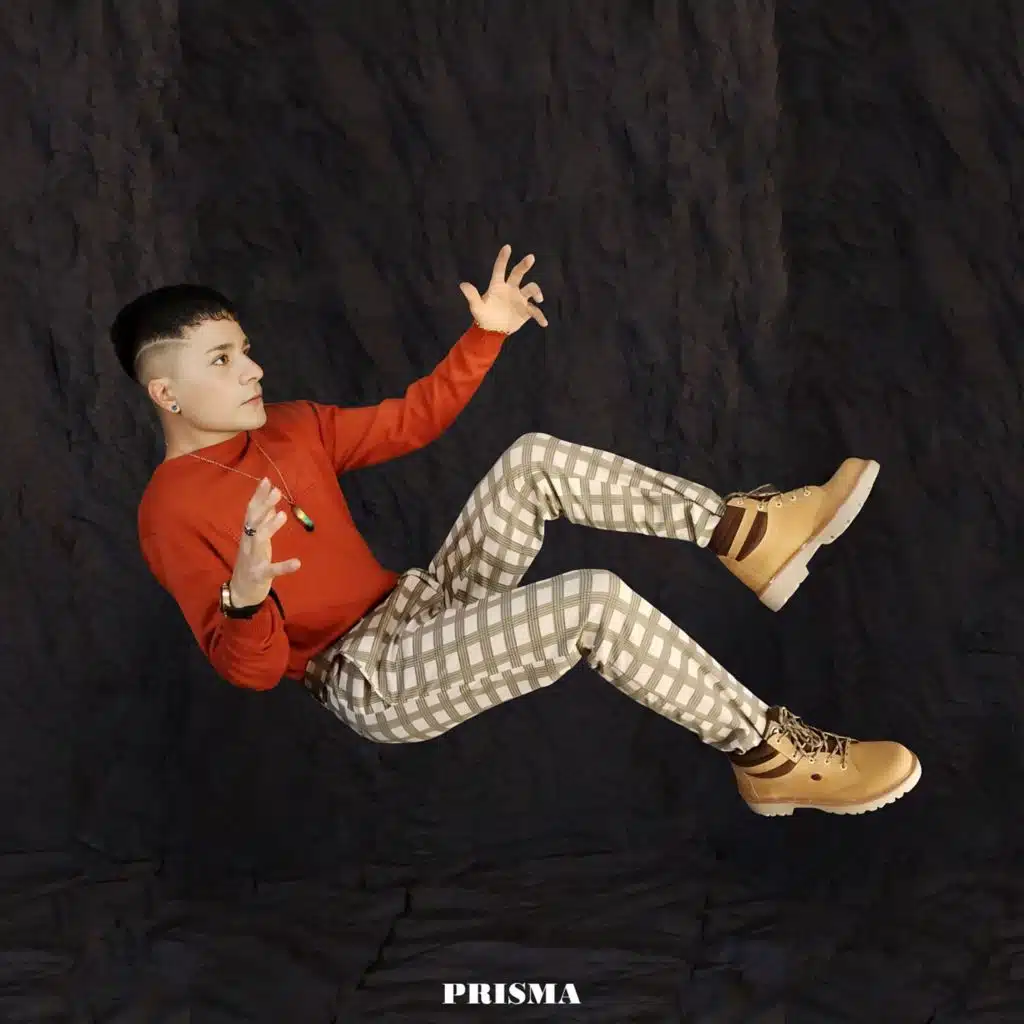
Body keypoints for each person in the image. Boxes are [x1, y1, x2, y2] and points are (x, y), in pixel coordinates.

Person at [115, 246, 921, 817]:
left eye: (245, 351)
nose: (253, 369)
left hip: (417, 610)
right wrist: (248, 595)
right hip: (369, 676)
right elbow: (249, 673)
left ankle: (744, 533)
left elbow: (411, 419)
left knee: (534, 460)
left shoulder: (290, 426)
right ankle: (768, 754)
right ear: (166, 393)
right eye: (221, 360)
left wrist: (486, 334)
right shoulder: (170, 512)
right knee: (591, 601)